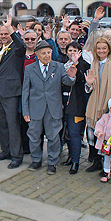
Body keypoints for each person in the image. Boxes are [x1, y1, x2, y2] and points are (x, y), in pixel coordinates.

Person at [22, 40, 77, 174]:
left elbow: (67, 82)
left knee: (53, 137)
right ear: (37, 55)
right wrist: (25, 110)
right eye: (44, 53)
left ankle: (52, 163)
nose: (47, 55)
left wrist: (72, 76)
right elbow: (26, 91)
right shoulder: (30, 69)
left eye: (49, 53)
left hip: (53, 109)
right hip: (35, 109)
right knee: (34, 136)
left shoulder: (58, 67)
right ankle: (36, 160)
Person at [84, 37, 111, 174]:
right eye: (99, 48)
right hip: (95, 104)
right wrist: (89, 84)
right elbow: (88, 89)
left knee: (110, 134)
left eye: (104, 48)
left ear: (109, 49)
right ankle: (97, 161)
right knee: (96, 131)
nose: (101, 51)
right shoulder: (93, 64)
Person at [0, 17, 26, 168]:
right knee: (1, 124)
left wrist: (11, 30)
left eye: (6, 34)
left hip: (11, 92)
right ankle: (5, 151)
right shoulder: (1, 49)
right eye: (1, 35)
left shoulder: (16, 48)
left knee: (13, 125)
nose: (3, 37)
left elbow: (21, 45)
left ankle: (16, 156)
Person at [62, 41, 91, 174]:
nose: (72, 53)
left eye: (75, 50)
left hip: (77, 105)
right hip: (63, 103)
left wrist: (76, 64)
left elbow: (81, 80)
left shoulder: (85, 65)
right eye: (70, 51)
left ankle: (76, 162)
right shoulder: (63, 65)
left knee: (74, 134)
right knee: (67, 133)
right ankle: (70, 156)